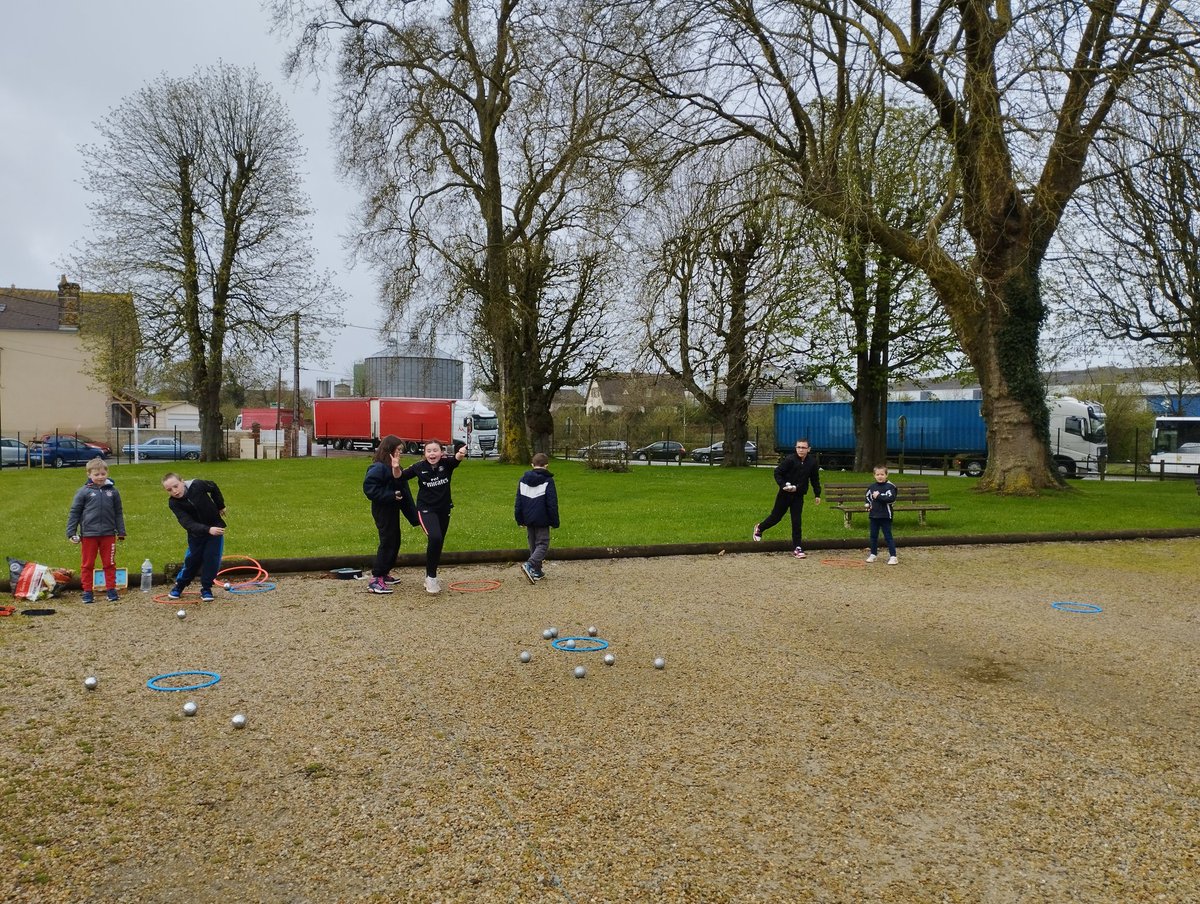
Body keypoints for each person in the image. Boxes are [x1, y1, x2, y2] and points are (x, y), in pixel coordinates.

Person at [400, 440, 468, 594]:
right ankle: (431, 578)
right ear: (424, 454)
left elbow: (457, 458)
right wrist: (396, 466)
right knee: (435, 537)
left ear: (441, 452)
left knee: (438, 543)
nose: (432, 454)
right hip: (426, 509)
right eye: (429, 451)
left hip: (444, 509)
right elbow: (401, 476)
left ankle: (431, 576)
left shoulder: (446, 464)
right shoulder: (418, 467)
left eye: (435, 450)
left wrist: (461, 453)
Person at [362, 435, 419, 595]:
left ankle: (384, 572)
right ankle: (376, 578)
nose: (401, 453)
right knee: (387, 541)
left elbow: (403, 490)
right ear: (390, 450)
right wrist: (391, 495)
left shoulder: (393, 467)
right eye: (398, 450)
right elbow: (369, 488)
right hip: (383, 510)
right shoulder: (378, 468)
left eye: (401, 450)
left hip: (393, 509)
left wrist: (414, 516)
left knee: (395, 540)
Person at [66, 458, 126, 603]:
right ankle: (87, 591)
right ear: (89, 474)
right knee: (87, 564)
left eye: (103, 474)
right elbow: (75, 512)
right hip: (89, 535)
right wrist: (71, 532)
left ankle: (111, 589)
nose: (100, 477)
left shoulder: (113, 492)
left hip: (108, 534)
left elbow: (118, 512)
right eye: (96, 474)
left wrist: (121, 531)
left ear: (107, 473)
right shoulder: (83, 492)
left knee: (109, 563)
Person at [161, 472, 226, 602]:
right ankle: (180, 586)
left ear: (182, 482)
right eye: (169, 490)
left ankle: (206, 588)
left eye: (176, 486)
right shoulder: (174, 503)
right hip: (196, 534)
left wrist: (220, 505)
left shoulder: (197, 485)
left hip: (215, 528)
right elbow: (187, 523)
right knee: (192, 560)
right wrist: (208, 530)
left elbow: (213, 486)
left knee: (212, 559)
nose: (174, 491)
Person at [753, 438, 822, 558]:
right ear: (795, 448)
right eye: (798, 447)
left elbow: (815, 479)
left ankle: (797, 547)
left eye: (803, 447)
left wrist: (817, 494)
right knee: (775, 517)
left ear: (808, 449)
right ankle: (760, 528)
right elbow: (777, 472)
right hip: (784, 495)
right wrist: (784, 485)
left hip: (798, 495)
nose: (801, 450)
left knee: (796, 521)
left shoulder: (812, 462)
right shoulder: (790, 460)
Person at [514, 452, 560, 583]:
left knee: (533, 543)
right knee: (543, 543)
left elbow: (518, 502)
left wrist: (519, 519)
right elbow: (552, 503)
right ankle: (530, 564)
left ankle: (537, 570)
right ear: (546, 466)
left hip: (528, 517)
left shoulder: (523, 480)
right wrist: (554, 521)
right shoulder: (548, 481)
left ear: (532, 465)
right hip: (542, 518)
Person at [865, 464, 899, 565]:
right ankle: (873, 554)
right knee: (873, 536)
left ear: (886, 475)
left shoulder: (891, 487)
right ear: (874, 475)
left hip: (885, 516)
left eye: (882, 474)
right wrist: (868, 506)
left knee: (888, 536)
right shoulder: (872, 487)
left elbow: (891, 499)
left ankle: (893, 556)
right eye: (878, 474)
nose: (880, 476)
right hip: (874, 515)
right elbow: (868, 498)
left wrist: (878, 496)